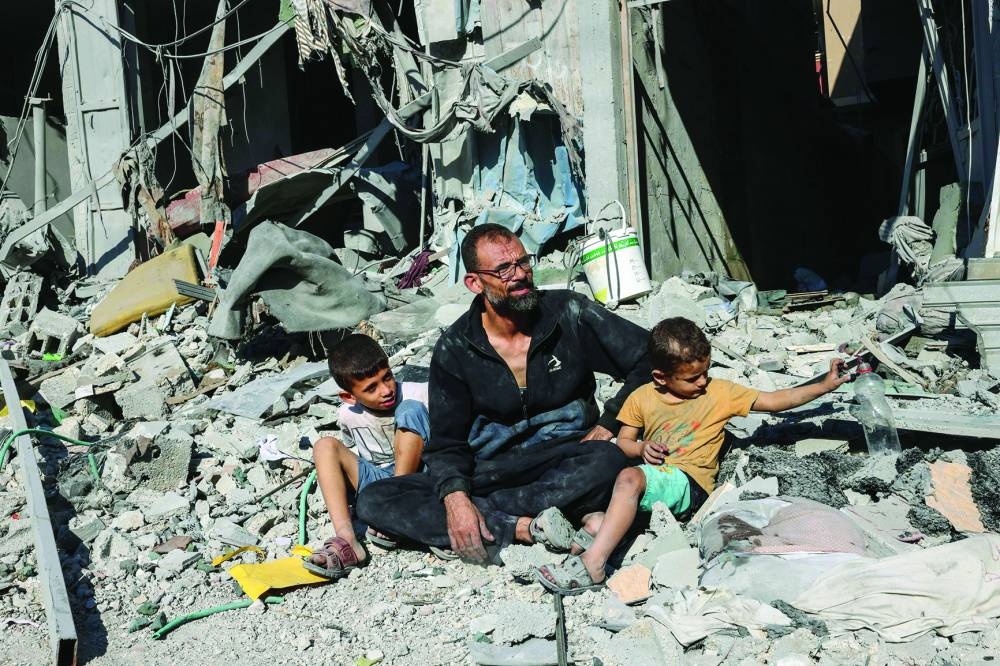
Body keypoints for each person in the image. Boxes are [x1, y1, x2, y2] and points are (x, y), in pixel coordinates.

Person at [356, 223, 652, 562]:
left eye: (524, 263)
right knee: (374, 499)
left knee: (608, 460)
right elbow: (447, 443)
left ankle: (485, 525)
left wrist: (611, 421)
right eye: (504, 270)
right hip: (492, 469)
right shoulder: (455, 349)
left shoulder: (568, 314)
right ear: (474, 283)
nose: (521, 275)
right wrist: (455, 497)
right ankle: (524, 527)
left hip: (566, 455)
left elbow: (647, 356)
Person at [535, 316, 850, 594]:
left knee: (629, 478)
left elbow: (777, 399)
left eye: (705, 372)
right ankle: (589, 532)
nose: (702, 382)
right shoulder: (640, 397)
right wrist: (642, 448)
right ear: (660, 377)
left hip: (690, 485)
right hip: (654, 483)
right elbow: (623, 443)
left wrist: (825, 385)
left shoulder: (721, 393)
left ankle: (593, 564)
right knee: (604, 483)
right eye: (692, 378)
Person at [305, 333, 429, 578]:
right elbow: (357, 455)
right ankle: (348, 539)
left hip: (418, 477)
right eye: (371, 388)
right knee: (324, 446)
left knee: (410, 410)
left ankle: (395, 509)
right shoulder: (347, 415)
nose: (386, 391)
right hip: (378, 482)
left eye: (387, 378)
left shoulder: (421, 393)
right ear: (349, 397)